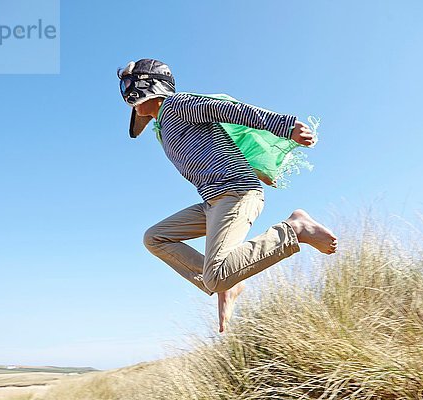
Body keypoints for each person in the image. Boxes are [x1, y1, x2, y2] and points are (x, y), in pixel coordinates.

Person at [117, 58, 337, 333]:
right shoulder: (162, 130)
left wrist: (284, 125)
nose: (126, 95)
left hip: (236, 192)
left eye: (128, 85)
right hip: (213, 201)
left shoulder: (178, 105)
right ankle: (226, 281)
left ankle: (295, 229)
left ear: (148, 85)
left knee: (216, 275)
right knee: (155, 238)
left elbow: (228, 111)